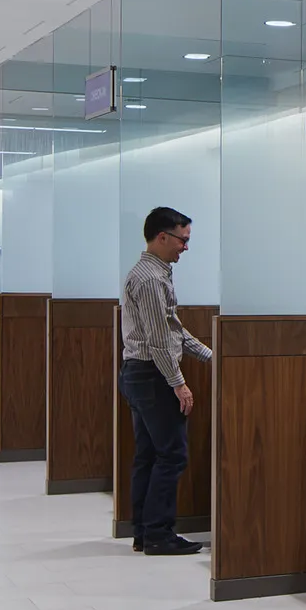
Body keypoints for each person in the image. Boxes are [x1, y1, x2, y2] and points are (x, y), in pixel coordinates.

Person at [119, 206, 213, 556]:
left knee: (148, 455)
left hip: (141, 374)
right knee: (172, 455)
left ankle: (144, 533)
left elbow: (173, 329)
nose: (185, 247)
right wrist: (179, 383)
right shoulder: (150, 279)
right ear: (162, 237)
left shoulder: (152, 273)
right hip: (153, 376)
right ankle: (158, 534)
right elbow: (160, 341)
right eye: (182, 240)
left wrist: (209, 356)